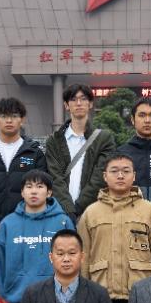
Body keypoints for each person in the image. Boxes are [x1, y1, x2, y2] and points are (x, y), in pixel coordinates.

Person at [77, 152, 151, 303]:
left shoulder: (149, 211)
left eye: (126, 171)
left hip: (140, 294)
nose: (120, 175)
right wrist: (85, 292)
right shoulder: (91, 213)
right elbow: (83, 257)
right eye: (114, 171)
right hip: (101, 294)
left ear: (134, 176)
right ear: (105, 176)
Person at [0, 170, 76, 303]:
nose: (34, 191)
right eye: (29, 186)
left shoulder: (63, 222)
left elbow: (74, 262)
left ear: (49, 192)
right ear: (22, 192)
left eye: (39, 186)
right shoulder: (8, 224)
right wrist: (3, 299)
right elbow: (0, 266)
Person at [45, 83, 114, 219]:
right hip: (60, 213)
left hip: (94, 212)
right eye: (73, 99)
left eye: (83, 99)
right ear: (66, 105)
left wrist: (77, 208)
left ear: (90, 104)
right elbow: (55, 177)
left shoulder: (103, 139)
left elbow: (100, 177)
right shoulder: (54, 141)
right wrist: (68, 209)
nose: (78, 103)